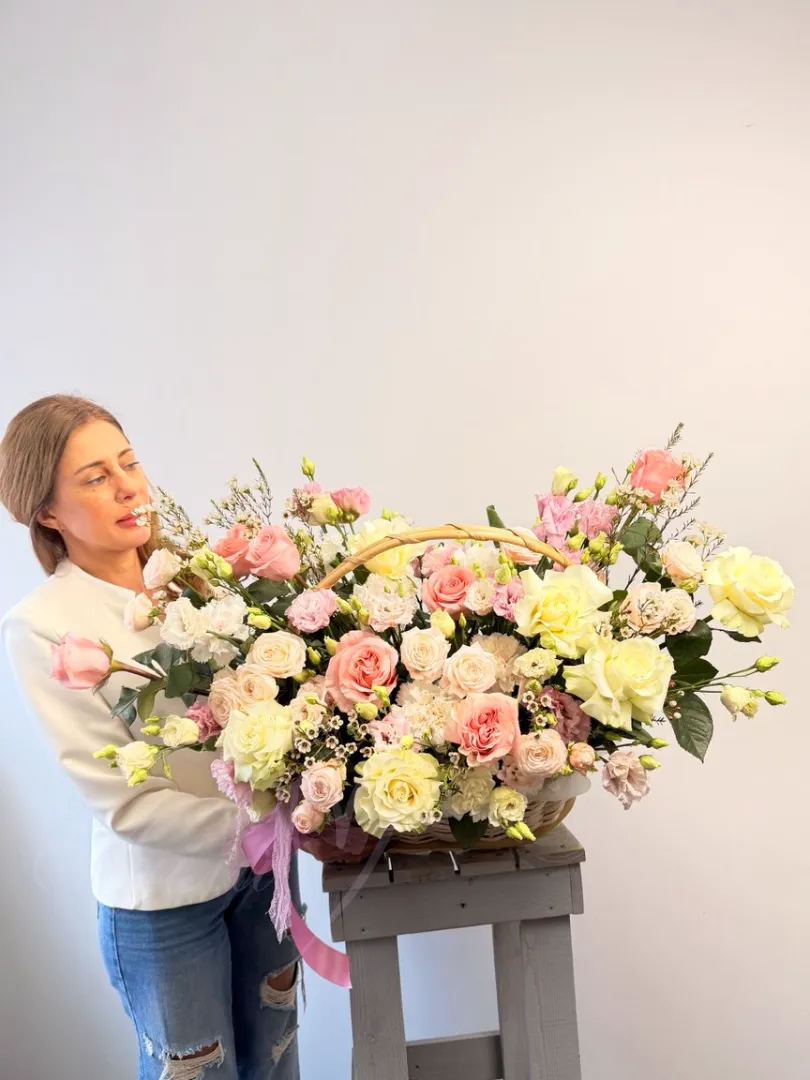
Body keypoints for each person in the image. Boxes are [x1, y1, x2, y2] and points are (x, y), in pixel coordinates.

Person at [0, 395, 301, 1080]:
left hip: (263, 882)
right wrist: (265, 827)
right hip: (164, 908)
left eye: (129, 463)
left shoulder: (202, 580)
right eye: (95, 477)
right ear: (47, 513)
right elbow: (123, 800)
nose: (128, 486)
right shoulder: (42, 625)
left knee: (277, 1058)